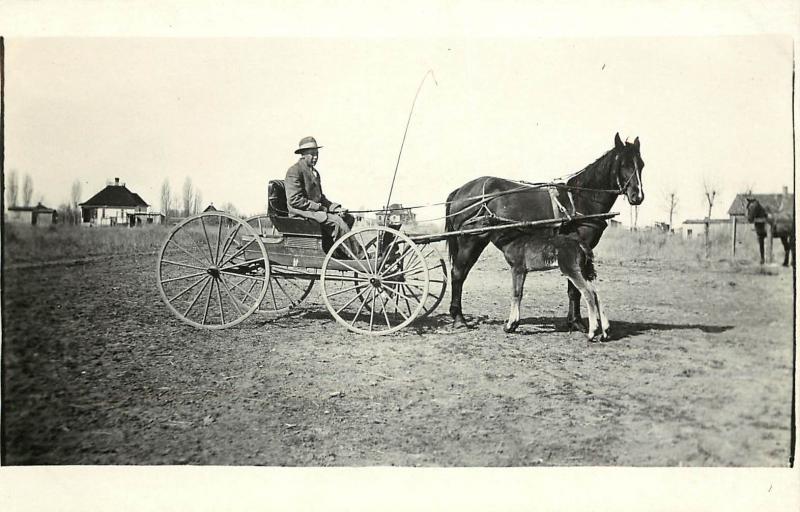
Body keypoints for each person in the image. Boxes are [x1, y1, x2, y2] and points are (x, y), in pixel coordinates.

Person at [285, 136, 356, 251]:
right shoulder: (294, 171)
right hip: (302, 213)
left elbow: (320, 197)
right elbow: (294, 200)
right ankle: (359, 256)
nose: (316, 157)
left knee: (348, 218)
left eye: (317, 154)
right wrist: (319, 207)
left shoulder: (314, 172)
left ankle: (337, 251)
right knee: (337, 221)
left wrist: (335, 208)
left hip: (314, 212)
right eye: (312, 154)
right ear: (303, 155)